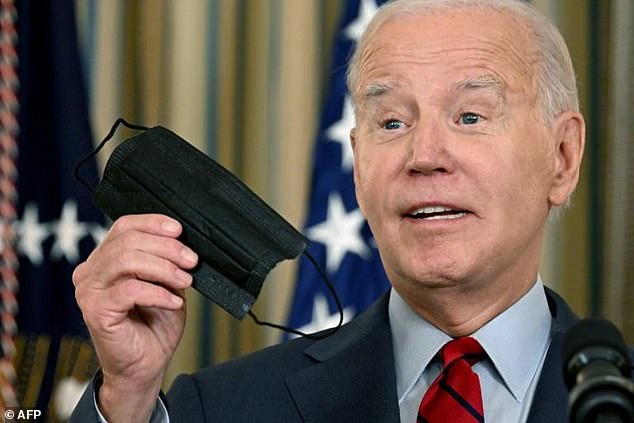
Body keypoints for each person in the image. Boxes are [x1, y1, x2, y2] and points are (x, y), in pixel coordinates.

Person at [70, 0, 628, 422]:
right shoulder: (219, 407)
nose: (424, 157)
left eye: (471, 116)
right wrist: (129, 397)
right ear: (359, 169)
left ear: (562, 157)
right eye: (392, 123)